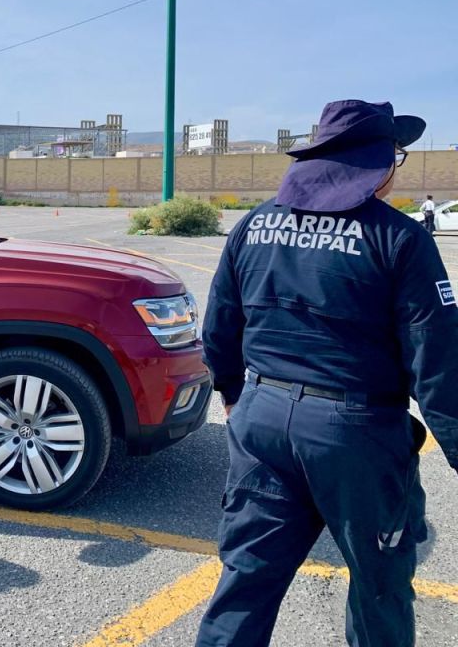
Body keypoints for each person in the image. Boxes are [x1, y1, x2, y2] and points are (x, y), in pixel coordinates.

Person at [196, 100, 458, 647]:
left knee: (246, 578)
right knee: (379, 585)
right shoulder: (401, 239)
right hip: (353, 432)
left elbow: (220, 325)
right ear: (377, 162)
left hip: (261, 418)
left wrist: (232, 395)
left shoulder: (255, 224)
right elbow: (437, 364)